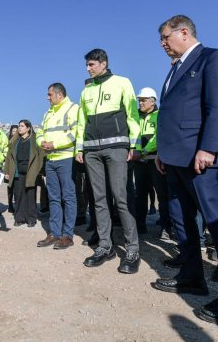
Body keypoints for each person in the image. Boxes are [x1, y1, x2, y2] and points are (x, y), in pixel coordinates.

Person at [151, 15, 218, 324]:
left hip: (202, 158)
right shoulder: (175, 68)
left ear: (184, 32)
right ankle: (192, 276)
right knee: (182, 220)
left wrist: (209, 148)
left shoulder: (213, 58)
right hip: (175, 158)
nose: (162, 43)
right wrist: (162, 151)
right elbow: (171, 113)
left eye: (165, 37)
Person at [75, 48, 142, 274]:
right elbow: (81, 121)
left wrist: (135, 145)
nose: (88, 68)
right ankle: (105, 246)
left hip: (116, 148)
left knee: (121, 197)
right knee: (99, 200)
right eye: (87, 65)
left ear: (103, 63)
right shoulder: (86, 90)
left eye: (91, 64)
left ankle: (132, 249)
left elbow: (133, 115)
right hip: (91, 151)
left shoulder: (122, 82)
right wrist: (79, 147)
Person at [36, 83, 79, 249]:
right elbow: (39, 132)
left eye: (50, 94)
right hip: (50, 160)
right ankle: (55, 233)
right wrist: (42, 142)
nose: (47, 97)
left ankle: (67, 235)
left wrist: (54, 144)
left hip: (66, 159)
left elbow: (75, 133)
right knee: (53, 198)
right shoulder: (48, 113)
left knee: (68, 197)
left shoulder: (73, 108)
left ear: (59, 94)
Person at [131, 87, 171, 237]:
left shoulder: (160, 115)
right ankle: (140, 226)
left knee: (162, 194)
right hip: (139, 162)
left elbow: (158, 137)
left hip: (155, 161)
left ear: (152, 102)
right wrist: (136, 152)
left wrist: (144, 151)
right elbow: (133, 136)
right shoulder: (135, 116)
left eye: (143, 100)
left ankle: (166, 226)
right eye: (139, 100)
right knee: (140, 195)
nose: (140, 103)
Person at [4, 120, 45, 227]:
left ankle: (31, 219)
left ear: (28, 128)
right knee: (18, 195)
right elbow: (9, 157)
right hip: (17, 172)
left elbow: (41, 155)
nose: (19, 128)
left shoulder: (34, 140)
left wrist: (40, 171)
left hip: (31, 172)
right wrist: (7, 171)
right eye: (19, 126)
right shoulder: (15, 141)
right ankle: (19, 218)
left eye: (22, 126)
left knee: (30, 196)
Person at [6, 124, 19, 213]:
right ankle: (10, 205)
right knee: (10, 187)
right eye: (13, 131)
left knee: (16, 188)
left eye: (16, 131)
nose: (14, 133)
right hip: (10, 168)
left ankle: (16, 204)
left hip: (17, 168)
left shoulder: (20, 141)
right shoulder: (9, 141)